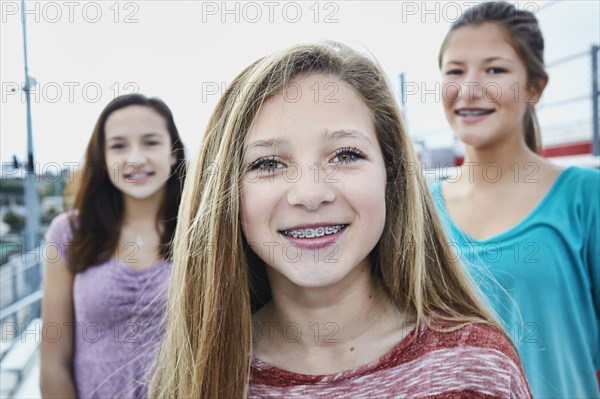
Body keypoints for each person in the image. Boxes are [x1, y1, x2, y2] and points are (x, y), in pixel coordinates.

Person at [150, 41, 532, 398]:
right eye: (268, 163)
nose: (311, 193)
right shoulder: (196, 375)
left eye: (345, 155)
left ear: (392, 175)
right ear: (226, 196)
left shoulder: (477, 369)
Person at [432, 2, 600, 397]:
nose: (470, 88)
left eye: (495, 69)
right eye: (455, 71)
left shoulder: (583, 196)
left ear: (534, 87)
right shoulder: (421, 210)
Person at [40, 94, 187, 398]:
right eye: (119, 146)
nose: (135, 159)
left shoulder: (200, 230)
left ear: (173, 153)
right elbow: (53, 365)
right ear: (103, 158)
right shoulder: (69, 232)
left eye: (150, 142)